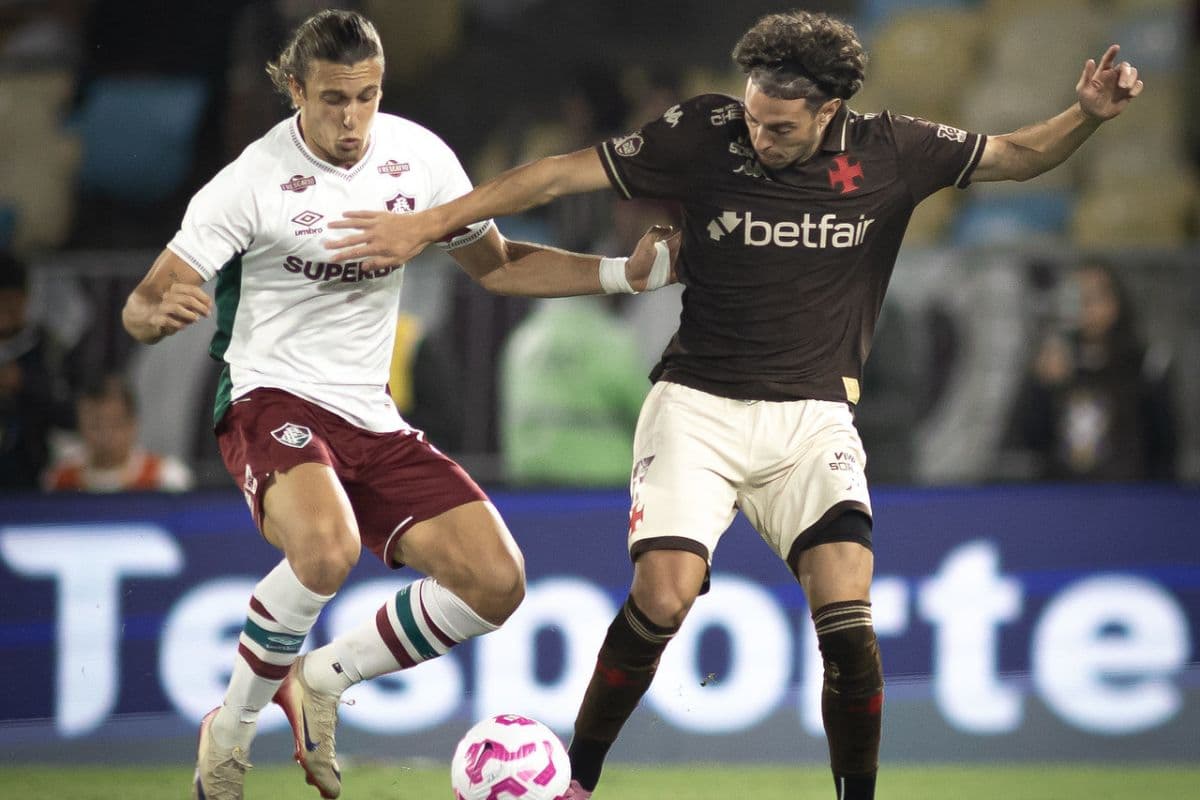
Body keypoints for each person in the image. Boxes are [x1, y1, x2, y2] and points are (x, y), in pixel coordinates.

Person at [321, 10, 1144, 799]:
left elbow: (1016, 155)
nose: (759, 135)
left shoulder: (896, 151)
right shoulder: (704, 133)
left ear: (830, 112)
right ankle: (577, 781)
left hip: (813, 418)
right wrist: (431, 224)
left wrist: (1086, 116)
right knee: (665, 599)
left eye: (781, 126)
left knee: (851, 630)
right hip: (698, 411)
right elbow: (556, 174)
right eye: (753, 118)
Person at [119, 10, 676, 800]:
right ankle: (233, 729)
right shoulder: (251, 180)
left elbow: (502, 264)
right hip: (268, 396)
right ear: (295, 90)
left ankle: (319, 679)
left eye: (367, 97)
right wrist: (153, 316)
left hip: (370, 414)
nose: (352, 120)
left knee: (497, 581)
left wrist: (627, 274)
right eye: (333, 100)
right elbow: (142, 304)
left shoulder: (419, 158)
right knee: (326, 549)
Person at [1006, 259, 1177, 482]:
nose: (1087, 307)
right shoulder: (1052, 361)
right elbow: (1028, 442)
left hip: (1128, 495)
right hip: (1061, 495)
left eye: (1096, 297)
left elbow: (1166, 446)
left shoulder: (1146, 364)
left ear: (1116, 301)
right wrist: (1042, 388)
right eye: (1077, 299)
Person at [42, 373, 194, 492]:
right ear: (80, 426)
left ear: (132, 424)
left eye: (115, 424)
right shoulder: (60, 480)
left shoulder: (166, 478)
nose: (105, 434)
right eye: (95, 425)